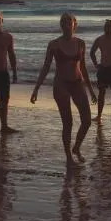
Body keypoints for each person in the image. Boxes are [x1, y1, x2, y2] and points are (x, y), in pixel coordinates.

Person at [30, 13, 97, 168]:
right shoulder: (54, 44)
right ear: (61, 25)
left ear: (75, 24)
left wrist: (92, 91)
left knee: (87, 120)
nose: (67, 25)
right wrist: (36, 89)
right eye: (64, 22)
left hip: (77, 83)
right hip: (61, 84)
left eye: (70, 22)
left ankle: (77, 147)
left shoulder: (81, 43)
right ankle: (69, 159)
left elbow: (84, 68)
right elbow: (46, 67)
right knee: (68, 123)